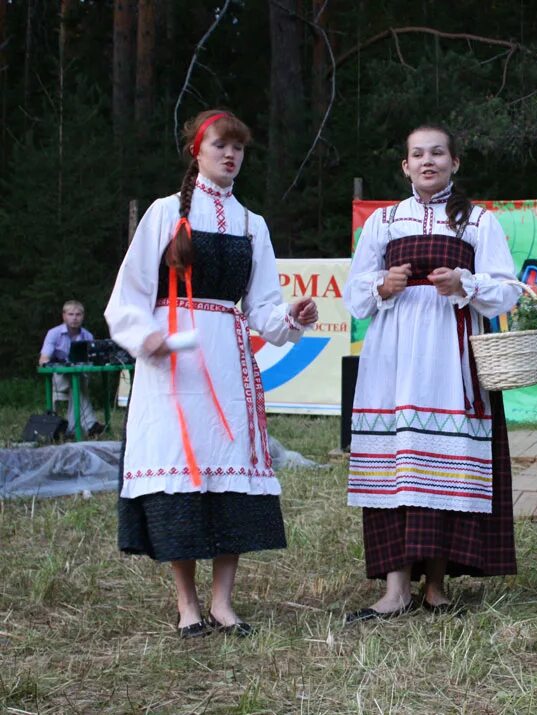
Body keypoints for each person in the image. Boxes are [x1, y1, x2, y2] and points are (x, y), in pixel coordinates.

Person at [104, 109, 318, 638]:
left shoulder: (253, 224)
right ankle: (187, 605)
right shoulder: (161, 214)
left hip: (228, 361)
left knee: (229, 478)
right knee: (182, 474)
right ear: (196, 151)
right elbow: (126, 296)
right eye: (221, 145)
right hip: (172, 363)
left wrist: (291, 318)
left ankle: (223, 602)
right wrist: (144, 335)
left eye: (239, 148)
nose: (231, 155)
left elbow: (263, 308)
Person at [342, 124, 521, 623]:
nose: (428, 161)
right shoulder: (384, 221)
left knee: (447, 465)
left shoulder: (479, 222)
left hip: (450, 356)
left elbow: (506, 289)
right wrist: (382, 285)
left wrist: (464, 282)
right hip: (393, 358)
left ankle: (437, 587)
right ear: (405, 166)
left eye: (437, 153)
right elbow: (353, 293)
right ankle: (395, 589)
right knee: (395, 466)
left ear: (454, 162)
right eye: (417, 154)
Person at [39, 300, 105, 437]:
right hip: (60, 377)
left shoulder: (87, 336)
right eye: (71, 314)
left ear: (83, 316)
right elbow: (43, 359)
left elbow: (92, 360)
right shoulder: (54, 333)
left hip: (81, 376)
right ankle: (91, 424)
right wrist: (55, 364)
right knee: (77, 383)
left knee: (79, 382)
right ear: (64, 316)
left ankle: (71, 430)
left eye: (78, 314)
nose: (74, 318)